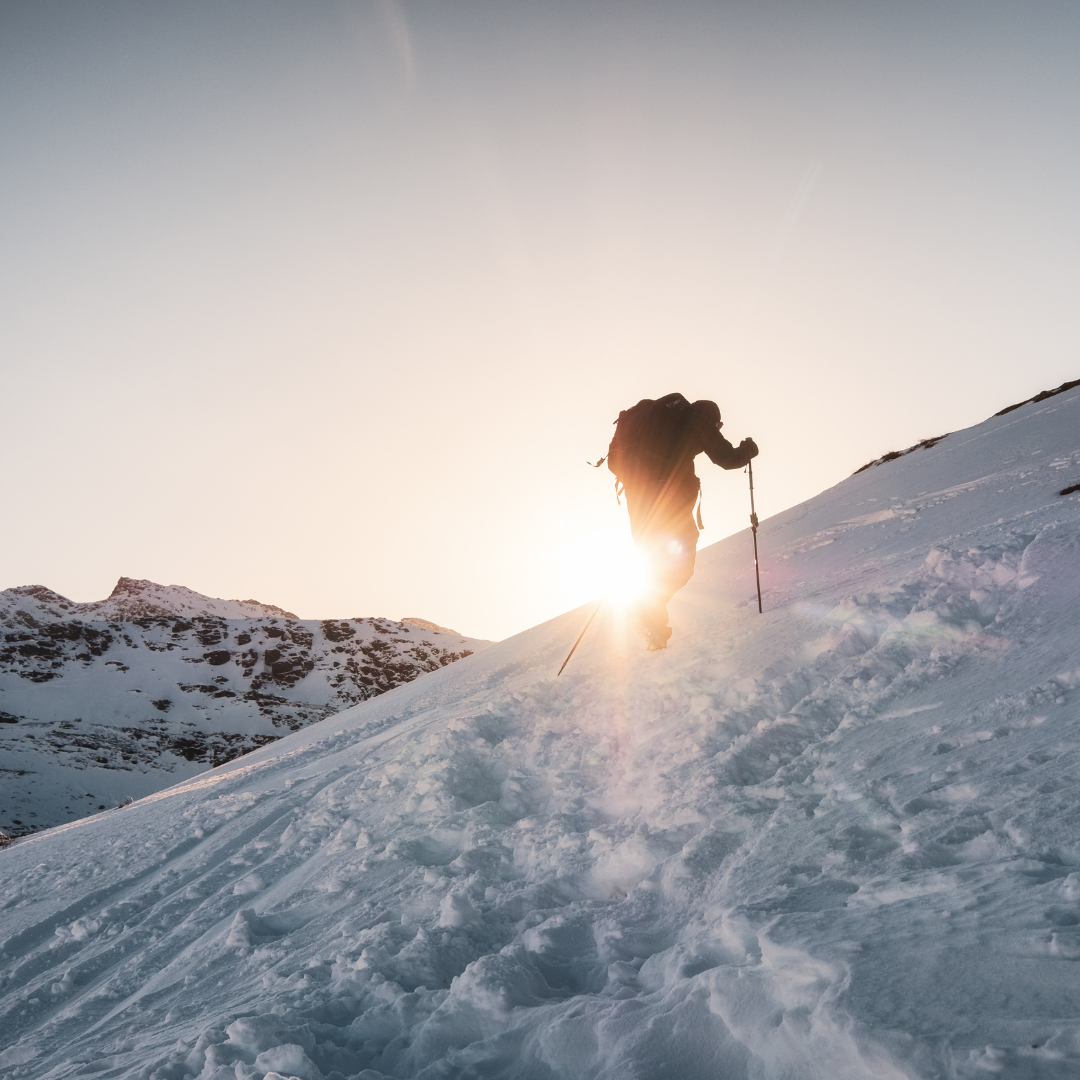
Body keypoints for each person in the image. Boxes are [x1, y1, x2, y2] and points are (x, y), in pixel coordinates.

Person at [605, 393, 758, 649]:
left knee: (653, 557)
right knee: (682, 560)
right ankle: (646, 608)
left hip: (636, 497)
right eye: (717, 426)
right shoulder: (697, 418)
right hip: (668, 496)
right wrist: (748, 450)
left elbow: (614, 463)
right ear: (713, 419)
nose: (716, 430)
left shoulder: (655, 420)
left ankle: (653, 627)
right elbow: (726, 458)